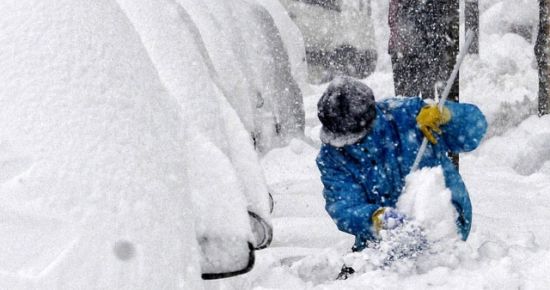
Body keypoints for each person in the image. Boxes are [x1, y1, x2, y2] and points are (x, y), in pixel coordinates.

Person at [316, 77, 487, 255]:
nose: (346, 144)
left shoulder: (409, 115)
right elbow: (343, 207)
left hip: (443, 223)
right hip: (382, 241)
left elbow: (475, 128)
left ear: (370, 120)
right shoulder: (332, 157)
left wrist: (448, 116)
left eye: (353, 137)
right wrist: (375, 218)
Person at [388, 0, 457, 99]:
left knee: (412, 94)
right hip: (411, 48)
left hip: (413, 48)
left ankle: (417, 109)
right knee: (412, 93)